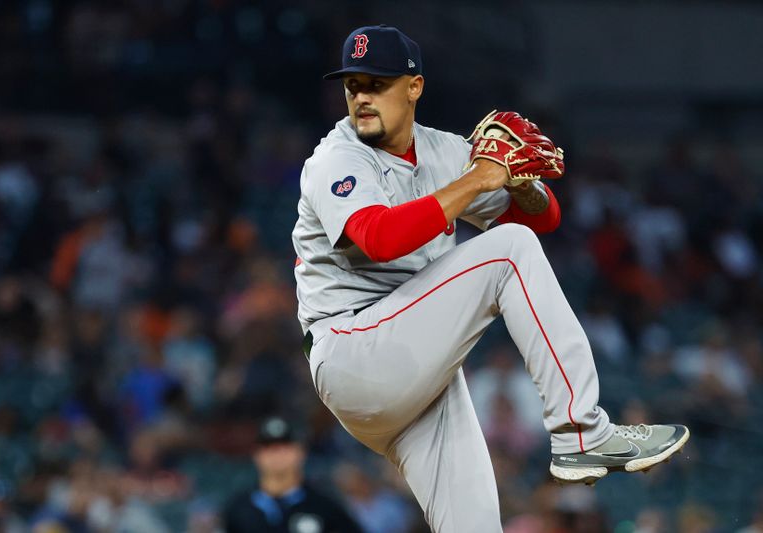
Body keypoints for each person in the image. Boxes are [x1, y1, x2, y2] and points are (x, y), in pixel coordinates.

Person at [291, 24, 690, 532]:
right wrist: (481, 176)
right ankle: (582, 433)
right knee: (509, 254)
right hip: (352, 349)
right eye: (354, 86)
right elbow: (379, 237)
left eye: (377, 83)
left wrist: (521, 182)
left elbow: (542, 220)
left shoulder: (443, 151)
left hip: (417, 372)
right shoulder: (336, 158)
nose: (362, 97)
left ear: (414, 87)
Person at [223, 416, 363, 533]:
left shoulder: (325, 508)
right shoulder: (238, 509)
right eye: (269, 448)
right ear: (257, 455)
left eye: (285, 447)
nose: (277, 455)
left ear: (301, 452)